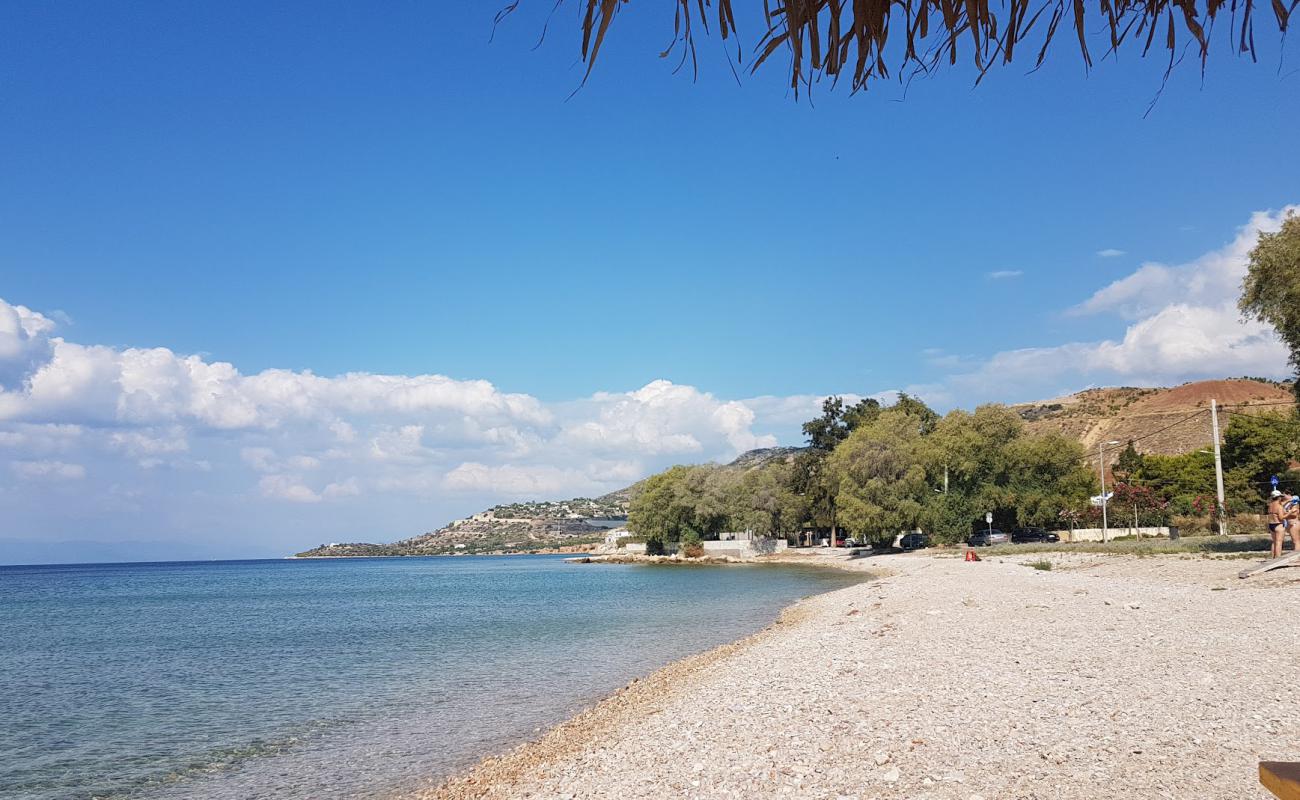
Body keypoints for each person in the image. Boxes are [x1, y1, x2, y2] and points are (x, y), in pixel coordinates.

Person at [1267, 490, 1287, 559]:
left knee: (1274, 542)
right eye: (1280, 497)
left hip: (1271, 524)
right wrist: (1289, 513)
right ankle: (1278, 558)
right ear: (1278, 497)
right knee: (1279, 542)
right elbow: (1281, 517)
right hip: (1278, 524)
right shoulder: (1279, 506)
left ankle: (1273, 557)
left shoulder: (1270, 505)